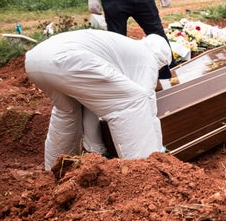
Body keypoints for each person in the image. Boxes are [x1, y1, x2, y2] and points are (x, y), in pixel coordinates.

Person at [24, 29, 172, 170]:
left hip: (35, 60)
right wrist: (158, 152)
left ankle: (56, 169)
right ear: (162, 59)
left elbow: (91, 106)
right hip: (67, 60)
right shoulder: (147, 58)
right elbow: (147, 102)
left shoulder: (126, 50)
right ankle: (145, 171)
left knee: (68, 111)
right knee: (132, 101)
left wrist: (97, 149)